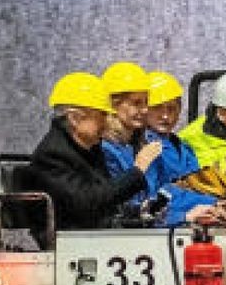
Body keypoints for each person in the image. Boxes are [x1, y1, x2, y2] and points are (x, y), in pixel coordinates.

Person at [98, 62, 220, 227]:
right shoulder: (106, 150)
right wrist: (184, 216)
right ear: (113, 105)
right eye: (136, 103)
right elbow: (125, 212)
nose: (144, 110)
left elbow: (161, 195)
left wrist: (213, 203)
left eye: (145, 103)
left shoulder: (139, 145)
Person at [27, 72, 153, 230]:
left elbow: (105, 198)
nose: (107, 122)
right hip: (72, 240)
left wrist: (138, 212)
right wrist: (137, 172)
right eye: (102, 115)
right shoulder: (53, 155)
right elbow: (88, 202)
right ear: (75, 119)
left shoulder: (90, 148)